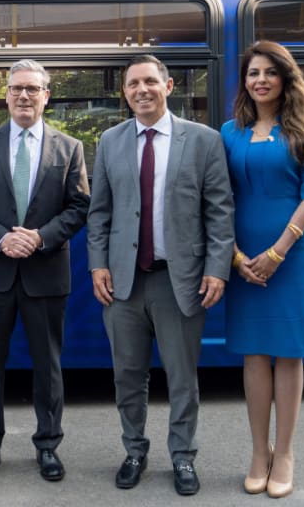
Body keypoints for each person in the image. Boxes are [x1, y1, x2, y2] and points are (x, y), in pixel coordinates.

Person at [86, 54, 234, 495]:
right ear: (125, 92)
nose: (141, 90)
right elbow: (100, 213)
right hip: (124, 283)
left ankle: (183, 457)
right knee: (127, 376)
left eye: (150, 81)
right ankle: (134, 450)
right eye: (133, 84)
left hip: (180, 280)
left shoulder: (204, 141)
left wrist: (217, 269)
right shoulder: (110, 141)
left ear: (168, 87)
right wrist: (98, 264)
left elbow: (220, 212)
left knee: (182, 376)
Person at [0, 59, 90, 484]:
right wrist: (3, 238)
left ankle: (48, 446)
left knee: (47, 366)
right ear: (6, 95)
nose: (24, 96)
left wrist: (39, 237)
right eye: (16, 89)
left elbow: (79, 206)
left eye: (33, 89)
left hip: (46, 272)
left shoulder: (69, 148)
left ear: (46, 96)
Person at [222, 40, 304, 499]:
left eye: (269, 72)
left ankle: (284, 453)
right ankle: (258, 453)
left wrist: (278, 252)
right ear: (244, 82)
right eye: (252, 73)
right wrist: (236, 256)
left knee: (288, 353)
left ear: (286, 78)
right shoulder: (229, 132)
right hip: (242, 259)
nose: (260, 80)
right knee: (254, 354)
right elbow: (216, 198)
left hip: (293, 257)